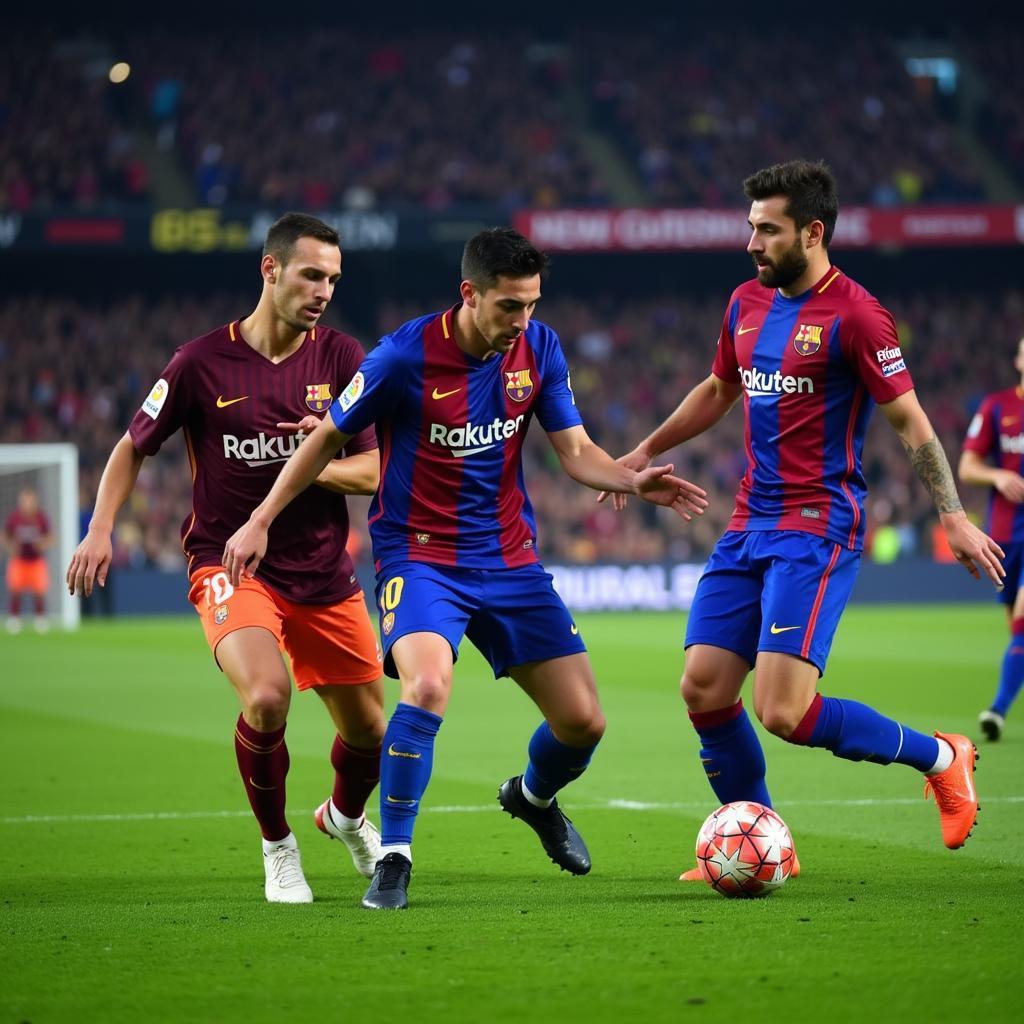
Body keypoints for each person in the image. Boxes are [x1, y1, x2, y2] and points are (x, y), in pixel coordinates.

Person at [223, 227, 708, 910]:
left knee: (584, 724)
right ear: (469, 294)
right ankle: (395, 855)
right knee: (425, 686)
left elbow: (575, 450)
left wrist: (632, 481)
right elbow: (327, 438)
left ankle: (533, 797)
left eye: (532, 304)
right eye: (509, 306)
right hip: (421, 558)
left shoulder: (539, 349)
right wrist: (263, 517)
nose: (523, 320)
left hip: (510, 559)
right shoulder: (402, 357)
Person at [603, 160, 1004, 878]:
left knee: (783, 711)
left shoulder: (857, 314)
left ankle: (944, 757)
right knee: (702, 687)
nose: (751, 241)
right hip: (747, 523)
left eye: (767, 229)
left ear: (812, 232)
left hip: (816, 528)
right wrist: (643, 451)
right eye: (750, 226)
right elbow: (720, 388)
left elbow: (910, 421)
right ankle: (761, 845)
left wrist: (952, 514)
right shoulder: (744, 304)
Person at [66, 213, 387, 904]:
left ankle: (344, 816)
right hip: (229, 562)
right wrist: (100, 527)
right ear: (270, 271)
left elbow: (373, 472)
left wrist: (314, 460)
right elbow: (132, 445)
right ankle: (279, 849)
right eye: (310, 274)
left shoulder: (342, 358)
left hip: (324, 571)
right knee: (267, 698)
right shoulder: (200, 362)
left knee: (371, 734)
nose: (324, 289)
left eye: (333, 278)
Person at [958, 335, 1024, 741]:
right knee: (1016, 632)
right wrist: (998, 474)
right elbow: (966, 466)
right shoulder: (998, 407)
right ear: (1018, 359)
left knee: (1022, 622)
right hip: (1005, 536)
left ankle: (997, 710)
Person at [4, 486, 53, 633]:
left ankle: (40, 619)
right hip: (19, 560)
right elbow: (5, 536)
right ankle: (14, 619)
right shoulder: (14, 518)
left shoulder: (41, 518)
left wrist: (42, 544)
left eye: (30, 500)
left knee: (39, 591)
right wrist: (11, 546)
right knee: (15, 590)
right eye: (24, 500)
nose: (27, 503)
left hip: (36, 561)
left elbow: (50, 537)